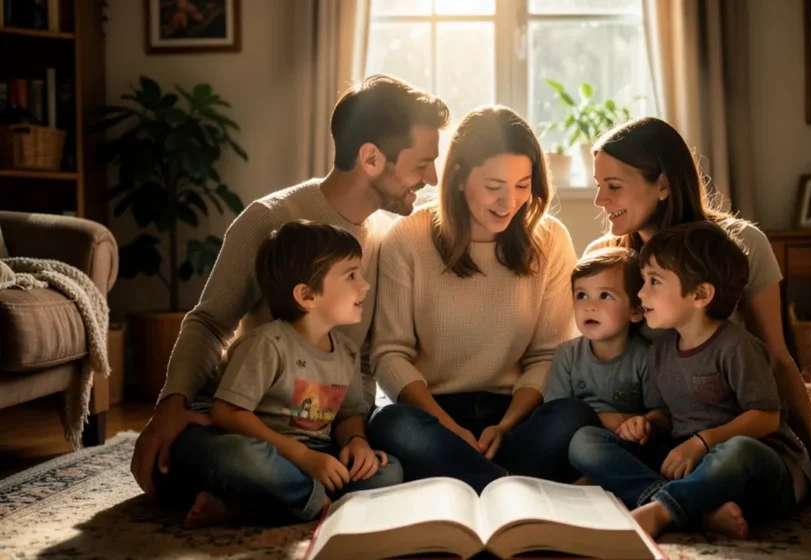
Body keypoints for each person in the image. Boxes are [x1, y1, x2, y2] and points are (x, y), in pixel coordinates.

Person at [130, 74, 450, 507]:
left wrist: (353, 436)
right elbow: (210, 323)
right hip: (246, 423)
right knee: (241, 460)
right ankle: (297, 496)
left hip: (320, 433)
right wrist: (171, 402)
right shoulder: (269, 220)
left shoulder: (386, 241)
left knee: (386, 469)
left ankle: (261, 501)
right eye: (421, 164)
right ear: (371, 157)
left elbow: (366, 361)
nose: (432, 178)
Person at [586, 117, 811, 512]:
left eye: (614, 186)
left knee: (739, 455)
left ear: (662, 184)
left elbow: (777, 359)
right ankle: (688, 505)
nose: (599, 201)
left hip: (734, 434)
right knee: (579, 436)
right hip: (661, 434)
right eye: (598, 185)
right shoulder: (607, 260)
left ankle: (668, 502)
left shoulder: (741, 245)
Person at [365, 106, 598, 494]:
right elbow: (390, 354)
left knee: (575, 415)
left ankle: (469, 481)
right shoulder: (407, 238)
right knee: (390, 425)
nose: (509, 202)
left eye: (523, 185)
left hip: (515, 415)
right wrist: (448, 428)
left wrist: (506, 426)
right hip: (432, 414)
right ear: (457, 177)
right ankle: (507, 488)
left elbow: (548, 356)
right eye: (494, 186)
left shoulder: (551, 240)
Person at [572, 222, 810, 540]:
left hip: (754, 469)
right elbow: (669, 416)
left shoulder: (736, 346)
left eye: (654, 281)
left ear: (700, 294)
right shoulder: (660, 352)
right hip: (690, 463)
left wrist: (703, 442)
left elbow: (767, 417)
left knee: (737, 450)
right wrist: (647, 425)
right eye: (643, 281)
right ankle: (694, 510)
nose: (641, 293)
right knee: (585, 440)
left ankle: (661, 510)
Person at [167, 221, 402, 527]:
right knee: (242, 459)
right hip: (253, 444)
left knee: (389, 469)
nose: (365, 285)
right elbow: (228, 413)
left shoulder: (346, 352)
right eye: (351, 275)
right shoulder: (266, 344)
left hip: (310, 452)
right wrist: (303, 457)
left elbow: (348, 415)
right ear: (307, 296)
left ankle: (251, 508)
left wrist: (357, 441)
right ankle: (311, 503)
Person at [544, 246, 669, 446]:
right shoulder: (567, 354)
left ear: (636, 311)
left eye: (604, 296)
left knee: (590, 448)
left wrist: (643, 423)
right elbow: (554, 413)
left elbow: (662, 414)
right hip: (569, 442)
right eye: (581, 295)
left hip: (623, 443)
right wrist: (601, 418)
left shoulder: (646, 357)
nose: (589, 306)